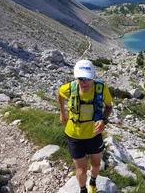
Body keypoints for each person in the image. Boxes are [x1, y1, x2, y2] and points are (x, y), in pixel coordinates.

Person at [57, 59, 113, 193]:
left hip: (94, 133)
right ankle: (83, 190)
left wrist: (103, 120)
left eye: (87, 78)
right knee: (81, 169)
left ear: (93, 76)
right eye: (80, 78)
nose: (84, 82)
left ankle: (93, 183)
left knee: (96, 164)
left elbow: (109, 106)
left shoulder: (101, 88)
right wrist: (62, 112)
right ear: (76, 77)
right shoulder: (70, 88)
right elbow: (59, 93)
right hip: (74, 135)